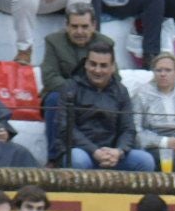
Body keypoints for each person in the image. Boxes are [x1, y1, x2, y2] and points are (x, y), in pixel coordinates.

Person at [49, 37, 156, 169]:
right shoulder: (70, 87)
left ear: (112, 67)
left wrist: (118, 151)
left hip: (112, 154)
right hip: (81, 151)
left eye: (103, 66)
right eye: (93, 64)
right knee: (78, 159)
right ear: (86, 64)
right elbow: (66, 128)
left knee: (145, 161)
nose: (97, 70)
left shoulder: (121, 91)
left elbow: (128, 129)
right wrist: (94, 151)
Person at [131, 51, 175, 171]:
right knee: (171, 159)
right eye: (159, 70)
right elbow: (136, 130)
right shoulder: (141, 95)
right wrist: (165, 142)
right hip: (153, 144)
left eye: (168, 70)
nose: (163, 74)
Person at [42, 2, 101, 84]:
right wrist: (77, 90)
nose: (79, 32)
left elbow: (114, 77)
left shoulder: (105, 43)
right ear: (67, 25)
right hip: (63, 91)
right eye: (74, 26)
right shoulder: (54, 41)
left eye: (84, 26)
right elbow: (49, 77)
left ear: (94, 25)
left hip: (94, 91)